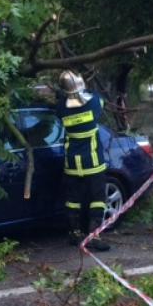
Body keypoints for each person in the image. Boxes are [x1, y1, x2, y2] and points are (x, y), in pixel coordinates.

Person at [56, 70, 110, 251]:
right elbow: (98, 99)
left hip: (72, 164)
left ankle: (74, 234)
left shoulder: (61, 109)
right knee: (97, 199)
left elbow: (61, 104)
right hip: (92, 164)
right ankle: (94, 235)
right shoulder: (94, 103)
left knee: (73, 199)